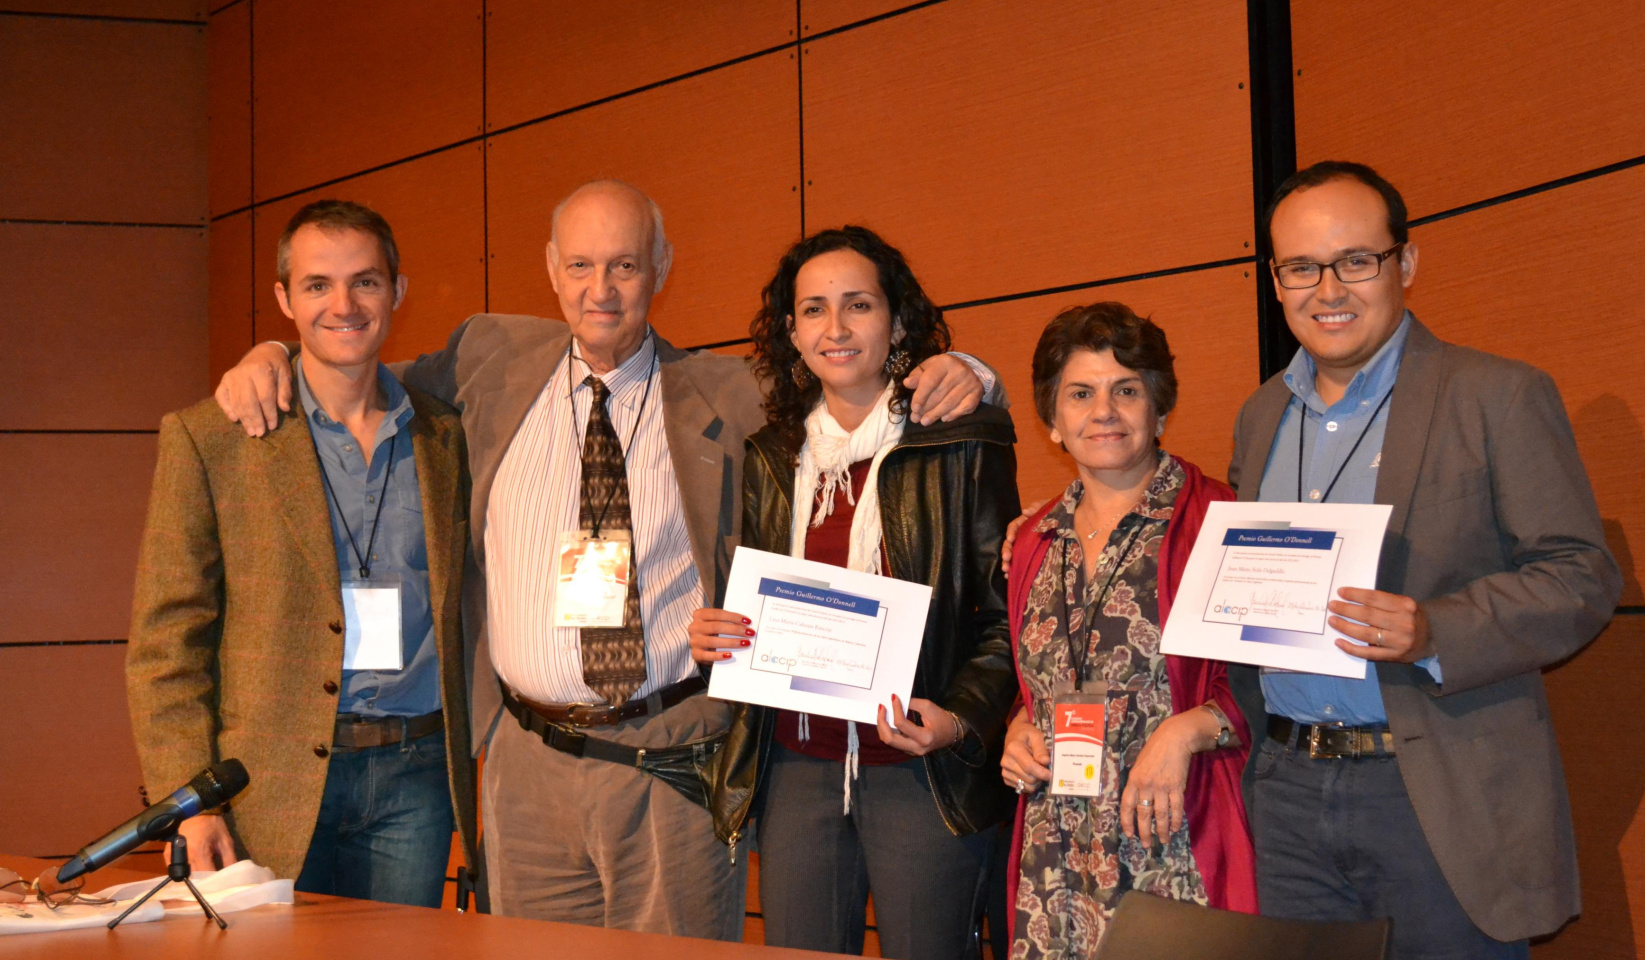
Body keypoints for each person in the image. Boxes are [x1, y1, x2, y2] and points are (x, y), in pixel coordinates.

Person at [212, 181, 1000, 938]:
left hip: (673, 762)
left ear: (660, 268)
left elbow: (851, 380)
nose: (602, 289)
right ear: (551, 268)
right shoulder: (488, 360)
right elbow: (355, 363)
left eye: (625, 265)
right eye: (581, 266)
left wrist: (970, 372)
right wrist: (273, 351)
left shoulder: (729, 390)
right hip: (527, 769)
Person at [1227, 161, 1622, 959]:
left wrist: (1434, 629)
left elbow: (1582, 575)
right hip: (1287, 791)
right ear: (1276, 281)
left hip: (1433, 791)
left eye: (1355, 261)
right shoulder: (1262, 413)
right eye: (1301, 267)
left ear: (1405, 265)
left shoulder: (1495, 395)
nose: (1327, 289)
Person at [126, 200, 478, 906]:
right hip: (266, 781)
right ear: (284, 298)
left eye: (366, 282)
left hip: (417, 779)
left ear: (397, 292)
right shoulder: (214, 437)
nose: (344, 305)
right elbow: (166, 645)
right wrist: (192, 801)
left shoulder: (446, 433)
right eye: (318, 285)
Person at [691, 226, 1021, 960]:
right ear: (791, 330)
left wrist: (961, 719)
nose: (835, 329)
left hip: (918, 768)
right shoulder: (771, 457)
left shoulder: (962, 442)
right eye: (813, 310)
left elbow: (1008, 618)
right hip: (796, 768)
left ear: (897, 322)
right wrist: (719, 637)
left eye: (858, 305)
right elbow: (755, 605)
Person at [999, 302, 1257, 960]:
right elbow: (1042, 681)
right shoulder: (1031, 540)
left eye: (1127, 390)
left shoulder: (1220, 518)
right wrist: (1018, 728)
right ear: (1053, 422)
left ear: (1159, 409)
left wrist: (1187, 727)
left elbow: (1268, 683)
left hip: (1174, 845)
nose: (1103, 411)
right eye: (1080, 394)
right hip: (1054, 861)